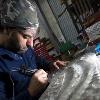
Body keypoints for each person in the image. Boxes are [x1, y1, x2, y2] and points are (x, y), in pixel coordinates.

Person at [0, 0, 68, 100]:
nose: (31, 44)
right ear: (6, 29)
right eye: (26, 36)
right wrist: (30, 92)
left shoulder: (21, 46)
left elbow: (35, 58)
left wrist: (50, 64)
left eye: (32, 37)